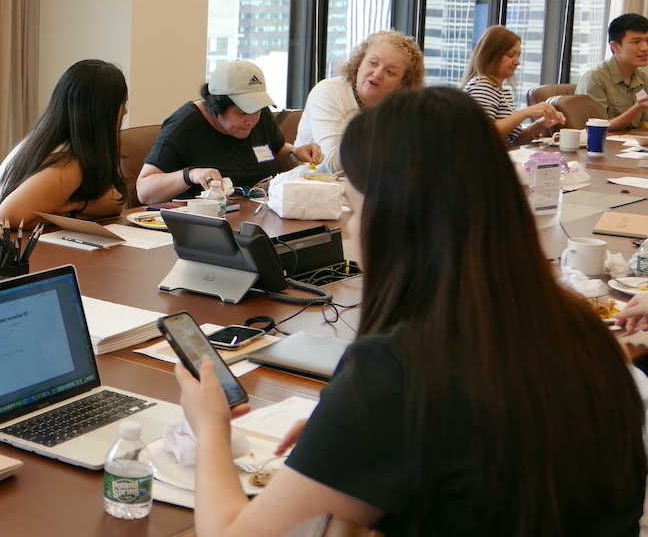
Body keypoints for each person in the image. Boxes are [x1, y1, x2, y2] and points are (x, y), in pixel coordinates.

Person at [175, 88, 645, 537]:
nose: (351, 227)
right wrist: (350, 441)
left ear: (398, 219)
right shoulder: (581, 328)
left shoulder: (398, 371)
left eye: (354, 207)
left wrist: (210, 426)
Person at [0, 60, 127, 233]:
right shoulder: (68, 163)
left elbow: (113, 202)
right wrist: (75, 208)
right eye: (122, 105)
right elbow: (8, 218)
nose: (125, 112)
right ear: (103, 113)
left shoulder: (46, 140)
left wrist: (72, 207)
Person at [136, 61, 322, 206]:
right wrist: (190, 175)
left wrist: (296, 154)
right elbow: (144, 192)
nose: (251, 121)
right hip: (206, 225)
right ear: (216, 107)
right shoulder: (185, 124)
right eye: (241, 113)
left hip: (259, 214)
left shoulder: (259, 115)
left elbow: (277, 152)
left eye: (256, 111)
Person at [295, 31, 425, 173]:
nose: (377, 74)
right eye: (373, 63)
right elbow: (335, 164)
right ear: (359, 63)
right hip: (313, 187)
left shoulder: (404, 107)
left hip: (372, 190)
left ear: (402, 82)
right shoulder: (329, 92)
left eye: (390, 72)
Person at [462, 25, 564, 144]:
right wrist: (525, 113)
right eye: (510, 55)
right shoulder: (483, 86)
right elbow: (483, 134)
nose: (517, 62)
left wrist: (540, 125)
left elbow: (511, 141)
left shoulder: (499, 90)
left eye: (518, 55)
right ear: (491, 56)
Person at [577, 13, 648, 131]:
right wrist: (637, 108)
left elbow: (644, 124)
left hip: (631, 147)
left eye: (647, 41)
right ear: (615, 47)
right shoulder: (595, 79)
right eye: (636, 42)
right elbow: (596, 128)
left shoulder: (643, 78)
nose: (645, 48)